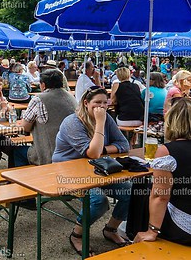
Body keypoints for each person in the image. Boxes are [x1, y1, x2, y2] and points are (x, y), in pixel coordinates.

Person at [52, 86, 131, 255]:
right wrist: (100, 123)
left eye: (104, 103)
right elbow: (93, 152)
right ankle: (76, 235)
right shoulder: (73, 122)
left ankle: (111, 229)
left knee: (130, 190)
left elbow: (124, 145)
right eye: (97, 103)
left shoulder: (107, 118)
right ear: (86, 103)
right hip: (66, 171)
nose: (101, 107)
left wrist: (102, 148)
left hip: (95, 169)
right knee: (98, 200)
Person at [134, 98, 191, 246]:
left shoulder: (167, 152)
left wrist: (152, 231)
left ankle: (136, 234)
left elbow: (161, 196)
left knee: (144, 189)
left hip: (185, 229)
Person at [14, 69, 77, 166]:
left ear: (43, 85)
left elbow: (25, 127)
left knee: (16, 151)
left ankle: (22, 180)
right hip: (73, 153)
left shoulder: (39, 99)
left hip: (49, 155)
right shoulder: (71, 97)